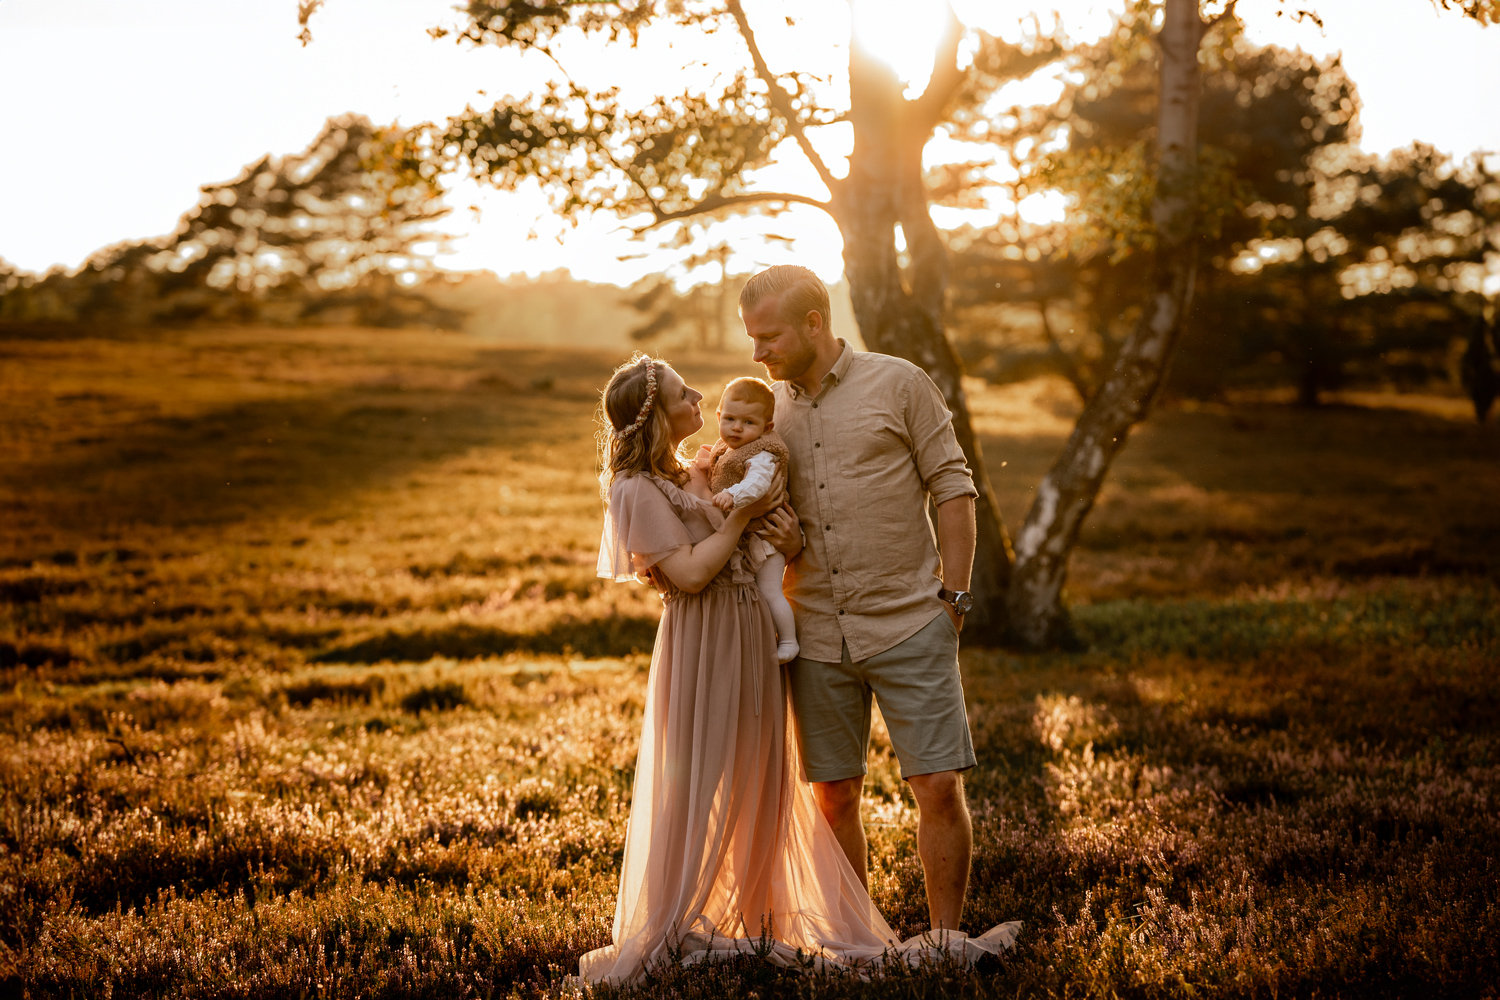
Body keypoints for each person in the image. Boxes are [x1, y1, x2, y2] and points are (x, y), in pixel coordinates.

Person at [582, 354, 1016, 984]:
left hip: (752, 633)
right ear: (654, 415)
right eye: (683, 392)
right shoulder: (635, 489)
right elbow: (693, 571)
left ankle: (767, 914)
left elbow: (757, 541)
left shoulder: (691, 467)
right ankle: (674, 918)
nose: (700, 394)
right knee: (700, 780)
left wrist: (780, 541)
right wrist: (741, 517)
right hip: (705, 642)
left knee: (766, 777)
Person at [743, 265, 983, 937]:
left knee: (937, 785)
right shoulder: (771, 410)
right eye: (752, 339)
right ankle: (858, 938)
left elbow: (954, 488)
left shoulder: (899, 382)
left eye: (769, 337)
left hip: (911, 622)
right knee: (833, 794)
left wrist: (953, 599)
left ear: (815, 323)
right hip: (814, 630)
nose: (757, 355)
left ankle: (944, 938)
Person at [695, 376, 799, 664]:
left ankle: (789, 641)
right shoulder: (726, 447)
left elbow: (757, 483)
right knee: (750, 596)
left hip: (765, 539)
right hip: (744, 538)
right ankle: (757, 641)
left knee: (770, 591)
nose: (737, 427)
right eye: (729, 419)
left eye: (748, 423)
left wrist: (733, 495)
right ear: (719, 416)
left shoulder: (763, 452)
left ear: (767, 427)